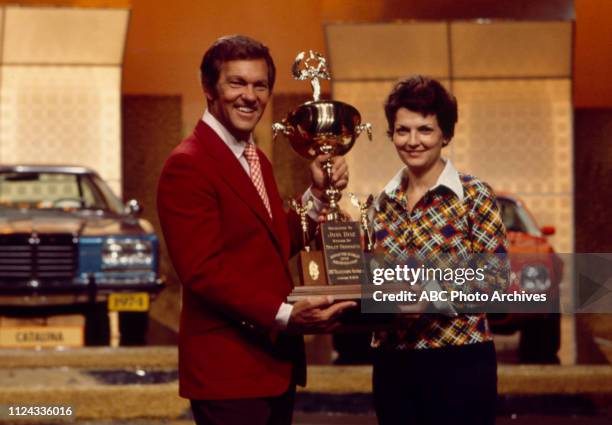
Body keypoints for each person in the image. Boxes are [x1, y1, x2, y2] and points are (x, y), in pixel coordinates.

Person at [157, 35, 355, 425]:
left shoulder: (254, 158)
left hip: (271, 368)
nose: (250, 96)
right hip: (228, 372)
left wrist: (317, 196)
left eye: (260, 85)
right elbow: (202, 272)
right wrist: (284, 314)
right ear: (208, 89)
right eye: (237, 83)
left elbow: (270, 243)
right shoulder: (188, 164)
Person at [370, 76, 509, 425]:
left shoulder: (475, 195)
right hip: (393, 363)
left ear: (444, 135)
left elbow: (496, 282)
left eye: (425, 130)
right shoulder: (380, 202)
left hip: (460, 363)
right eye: (402, 130)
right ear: (392, 134)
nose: (413, 141)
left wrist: (430, 297)